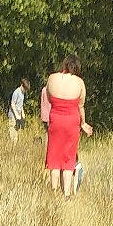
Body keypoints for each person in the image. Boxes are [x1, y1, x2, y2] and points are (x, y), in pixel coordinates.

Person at [42, 52, 92, 196]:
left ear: (64, 65)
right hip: (72, 122)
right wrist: (83, 123)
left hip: (56, 119)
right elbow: (80, 106)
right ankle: (66, 195)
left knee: (54, 157)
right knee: (68, 158)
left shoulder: (52, 78)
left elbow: (50, 99)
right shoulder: (79, 82)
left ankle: (53, 192)